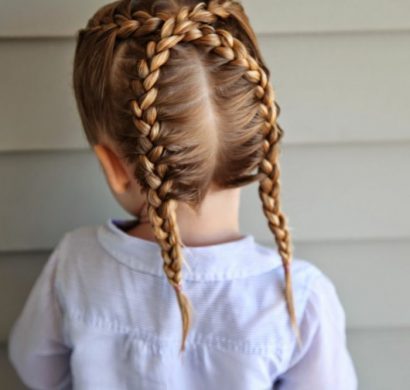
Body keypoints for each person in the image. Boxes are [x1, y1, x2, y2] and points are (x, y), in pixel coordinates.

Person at [8, 0, 358, 388]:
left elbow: (36, 367)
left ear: (114, 167)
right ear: (259, 136)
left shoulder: (76, 264)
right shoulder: (298, 298)